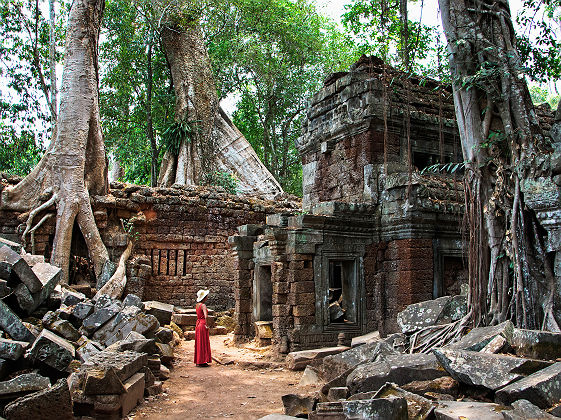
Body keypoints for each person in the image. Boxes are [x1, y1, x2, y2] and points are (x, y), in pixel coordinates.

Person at [194, 289, 211, 366]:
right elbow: (206, 316)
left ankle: (199, 360)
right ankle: (203, 360)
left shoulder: (197, 305)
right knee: (203, 342)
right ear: (204, 297)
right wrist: (207, 325)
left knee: (199, 342)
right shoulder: (203, 305)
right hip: (202, 324)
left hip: (198, 324)